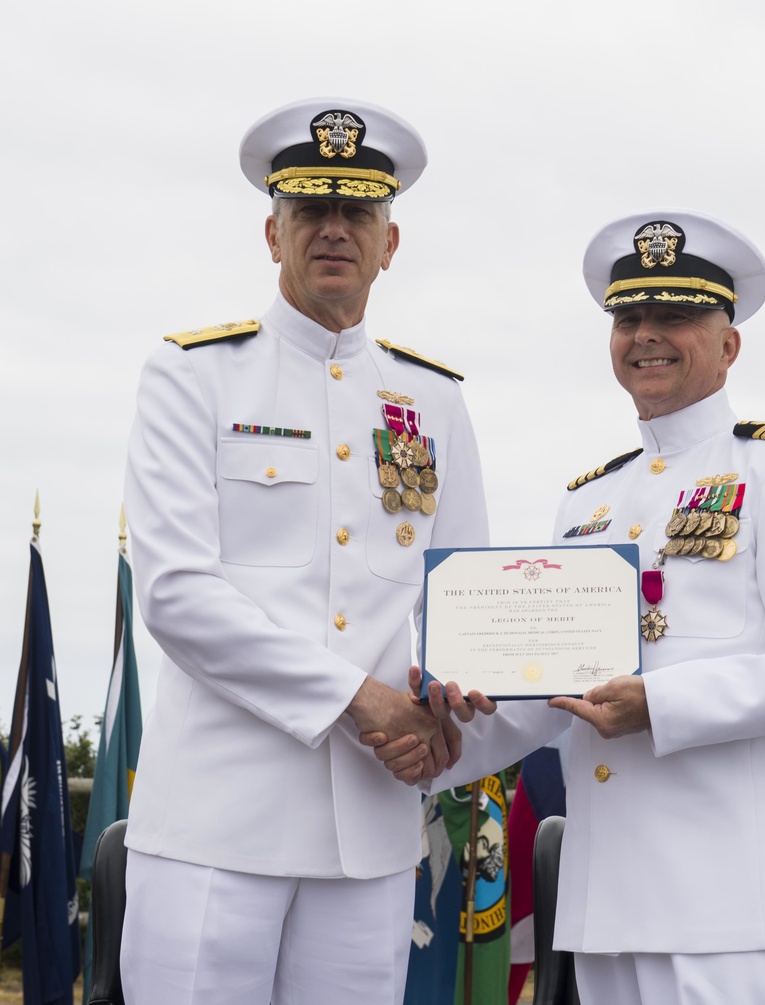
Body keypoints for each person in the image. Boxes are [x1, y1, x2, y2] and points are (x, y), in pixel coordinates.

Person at [367, 209, 765, 1005]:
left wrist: (663, 703)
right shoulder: (589, 503)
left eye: (676, 315)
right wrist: (447, 738)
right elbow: (556, 693)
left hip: (732, 909)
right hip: (605, 900)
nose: (647, 335)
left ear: (729, 343)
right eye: (629, 317)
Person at [120, 97, 488, 1005]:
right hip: (216, 822)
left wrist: (443, 718)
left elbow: (464, 604)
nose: (334, 232)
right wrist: (359, 699)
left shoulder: (432, 401)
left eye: (357, 212)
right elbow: (174, 594)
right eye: (311, 212)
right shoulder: (192, 374)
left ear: (389, 241)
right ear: (271, 230)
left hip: (367, 826)